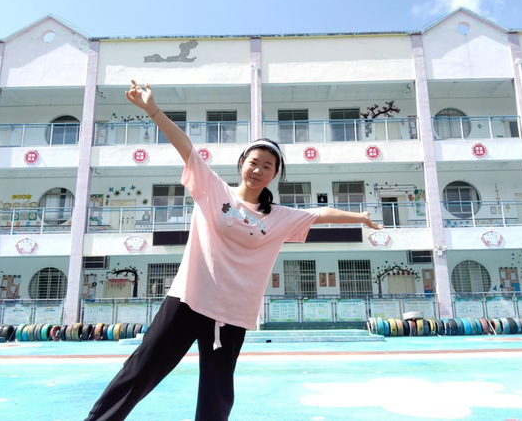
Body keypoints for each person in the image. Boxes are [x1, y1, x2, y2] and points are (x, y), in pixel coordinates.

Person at [85, 80, 384, 421]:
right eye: (254, 162)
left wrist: (360, 217)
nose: (258, 170)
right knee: (141, 368)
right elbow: (186, 148)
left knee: (217, 390)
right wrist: (152, 109)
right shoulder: (214, 189)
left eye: (267, 166)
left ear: (274, 175)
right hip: (188, 298)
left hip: (230, 313)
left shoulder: (278, 216)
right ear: (242, 163)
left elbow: (321, 214)